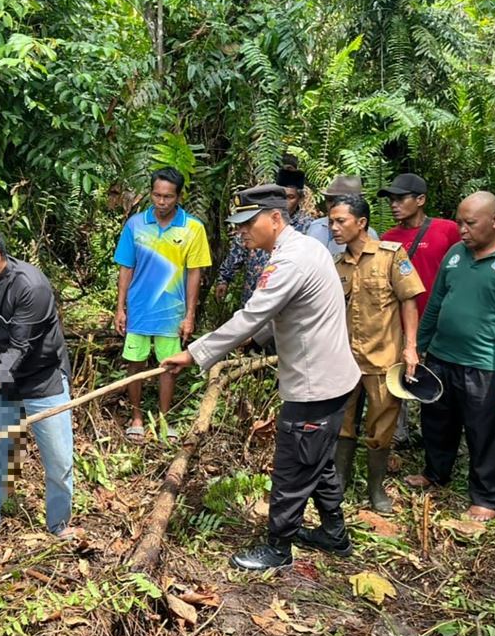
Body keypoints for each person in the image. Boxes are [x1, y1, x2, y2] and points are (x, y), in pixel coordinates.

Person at [162, 184, 361, 570]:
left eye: (248, 224)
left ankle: (278, 548)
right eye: (238, 226)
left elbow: (252, 315)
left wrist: (194, 354)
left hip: (314, 386)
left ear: (274, 218)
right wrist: (254, 342)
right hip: (332, 380)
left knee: (292, 465)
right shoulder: (305, 248)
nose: (242, 233)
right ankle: (334, 534)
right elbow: (288, 312)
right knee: (317, 461)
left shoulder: (289, 260)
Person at [406, 191, 495, 521]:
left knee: (486, 434)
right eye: (459, 222)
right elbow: (436, 302)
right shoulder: (456, 254)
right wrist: (420, 345)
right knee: (437, 422)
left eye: (470, 223)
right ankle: (435, 473)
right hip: (442, 356)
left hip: (486, 364)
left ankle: (488, 498)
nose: (462, 230)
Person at [0, 218, 83, 546]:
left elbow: (20, 348)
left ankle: (60, 524)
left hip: (42, 380)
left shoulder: (30, 286)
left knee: (59, 460)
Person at [329, 195, 425, 513]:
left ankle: (375, 489)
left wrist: (410, 348)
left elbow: (409, 300)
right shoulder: (338, 264)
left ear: (362, 223)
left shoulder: (391, 256)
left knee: (381, 426)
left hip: (383, 358)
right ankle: (339, 483)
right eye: (331, 221)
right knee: (343, 422)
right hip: (345, 360)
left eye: (341, 221)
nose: (334, 227)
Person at [114, 167, 211, 442]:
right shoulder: (135, 224)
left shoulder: (193, 228)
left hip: (171, 311)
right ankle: (136, 418)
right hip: (139, 309)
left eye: (168, 196)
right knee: (135, 363)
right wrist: (120, 308)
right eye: (157, 195)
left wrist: (190, 315)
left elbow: (195, 273)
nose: (161, 202)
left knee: (168, 366)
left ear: (178, 196)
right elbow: (126, 268)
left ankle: (164, 420)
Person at [379, 173, 461, 447]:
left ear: (421, 199)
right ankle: (398, 436)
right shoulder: (388, 238)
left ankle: (440, 441)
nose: (394, 204)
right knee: (399, 376)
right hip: (400, 323)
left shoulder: (446, 230)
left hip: (440, 323)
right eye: (391, 199)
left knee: (440, 381)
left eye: (400, 198)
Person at [215, 169, 314, 306]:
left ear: (300, 199)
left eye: (290, 197)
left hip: (285, 301)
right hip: (253, 296)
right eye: (281, 197)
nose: (284, 203)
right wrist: (224, 279)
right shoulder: (259, 220)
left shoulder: (308, 226)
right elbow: (238, 248)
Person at [306, 174, 377, 255]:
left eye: (340, 200)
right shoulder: (316, 227)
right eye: (329, 200)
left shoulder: (369, 234)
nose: (332, 205)